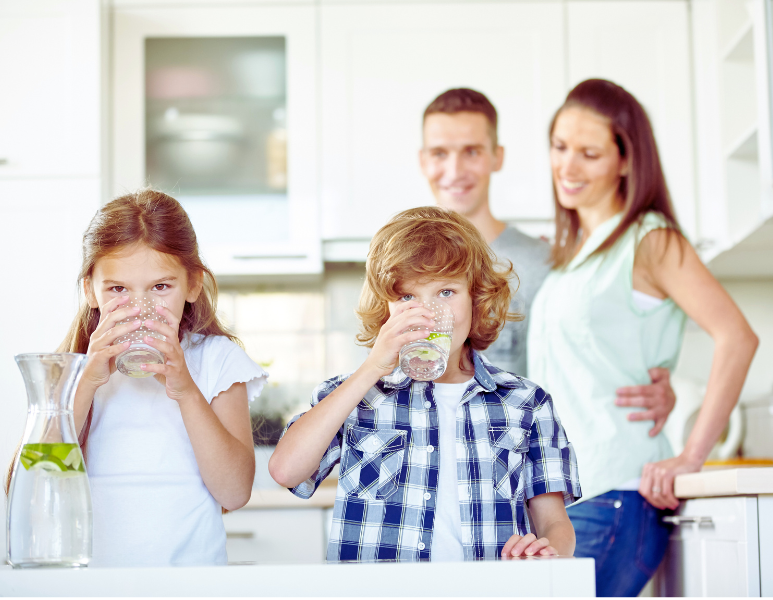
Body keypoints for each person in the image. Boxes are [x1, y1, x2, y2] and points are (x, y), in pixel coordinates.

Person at [527, 79, 759, 596]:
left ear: (626, 161)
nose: (567, 167)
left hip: (614, 496)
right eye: (560, 147)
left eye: (589, 153)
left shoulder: (650, 239)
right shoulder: (576, 256)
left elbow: (737, 337)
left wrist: (691, 455)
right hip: (569, 500)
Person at [269, 206, 581, 561]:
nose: (429, 313)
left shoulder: (526, 403)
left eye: (446, 292)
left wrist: (546, 550)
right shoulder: (355, 395)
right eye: (407, 297)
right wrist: (372, 368)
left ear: (476, 298)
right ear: (386, 308)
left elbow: (555, 524)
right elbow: (285, 471)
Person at [419, 88, 676, 438]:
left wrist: (660, 388)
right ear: (422, 160)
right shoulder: (401, 265)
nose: (455, 169)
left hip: (520, 470)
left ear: (497, 157)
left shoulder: (549, 264)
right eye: (439, 153)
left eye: (472, 151)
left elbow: (591, 357)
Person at [67, 190, 266, 566]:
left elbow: (235, 493)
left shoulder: (216, 361)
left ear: (192, 284)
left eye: (160, 287)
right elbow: (26, 485)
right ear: (90, 291)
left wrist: (187, 391)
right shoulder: (72, 369)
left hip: (192, 584)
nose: (139, 308)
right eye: (117, 289)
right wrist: (86, 383)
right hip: (92, 585)